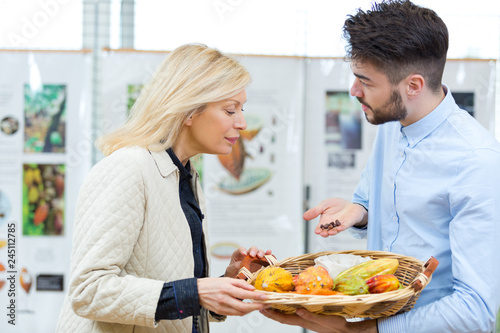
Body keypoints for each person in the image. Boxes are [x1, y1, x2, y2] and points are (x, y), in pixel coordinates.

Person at [261, 1, 500, 332]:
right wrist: (358, 212)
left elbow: (476, 309)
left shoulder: (476, 160)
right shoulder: (391, 123)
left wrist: (363, 331)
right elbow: (380, 206)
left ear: (413, 86)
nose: (353, 91)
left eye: (366, 81)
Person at [56, 43, 271, 333]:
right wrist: (196, 292)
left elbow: (174, 293)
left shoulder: (185, 177)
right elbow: (87, 292)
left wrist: (225, 282)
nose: (242, 123)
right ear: (189, 112)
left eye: (241, 110)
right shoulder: (128, 168)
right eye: (230, 110)